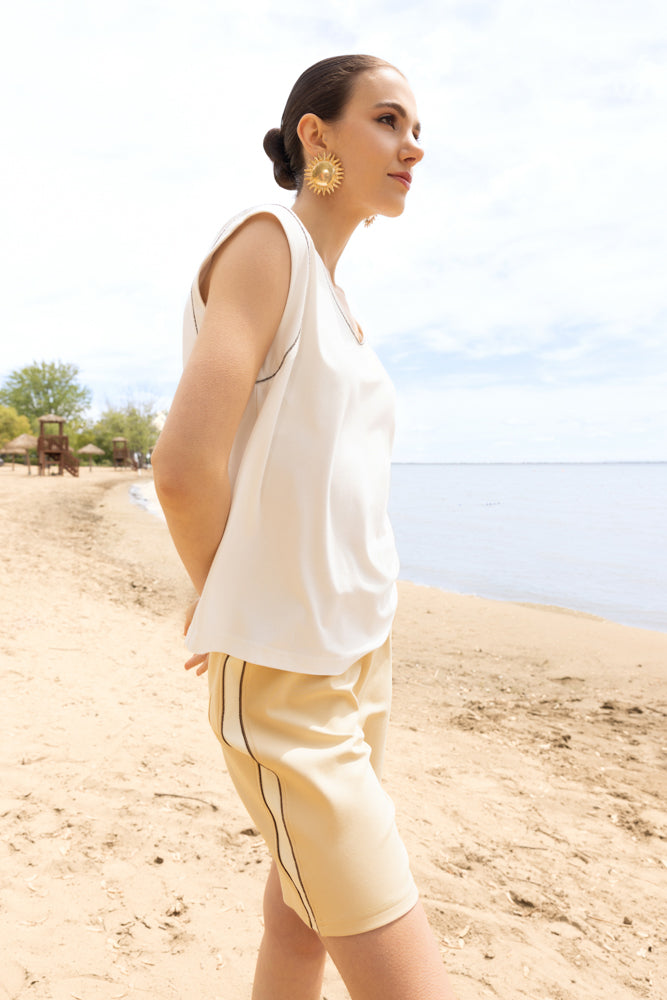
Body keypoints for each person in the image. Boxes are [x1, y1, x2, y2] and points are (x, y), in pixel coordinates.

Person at [152, 54, 459, 1000]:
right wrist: (223, 596)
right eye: (388, 120)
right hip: (290, 678)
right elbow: (183, 467)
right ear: (315, 136)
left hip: (360, 657)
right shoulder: (265, 245)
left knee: (300, 926)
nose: (414, 145)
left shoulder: (339, 305)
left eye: (414, 128)